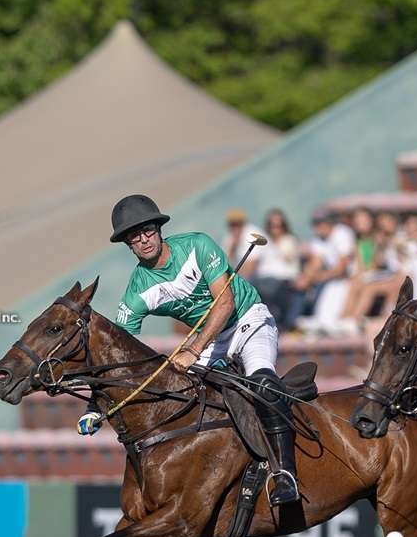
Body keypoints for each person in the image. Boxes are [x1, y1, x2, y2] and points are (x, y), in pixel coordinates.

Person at [88, 194, 300, 505]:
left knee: (263, 383)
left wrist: (193, 348)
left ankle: (285, 474)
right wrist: (94, 406)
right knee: (182, 395)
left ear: (158, 229)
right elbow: (115, 352)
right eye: (134, 237)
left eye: (147, 230)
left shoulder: (197, 245)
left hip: (247, 318)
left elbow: (225, 304)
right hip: (210, 338)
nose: (144, 240)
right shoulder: (137, 291)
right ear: (128, 245)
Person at [296, 209, 357, 336]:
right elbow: (316, 263)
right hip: (333, 281)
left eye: (321, 222)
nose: (318, 226)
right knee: (323, 317)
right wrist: (305, 278)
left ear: (330, 223)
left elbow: (342, 269)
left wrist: (318, 276)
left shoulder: (342, 233)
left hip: (349, 279)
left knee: (331, 320)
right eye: (315, 223)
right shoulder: (318, 240)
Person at [251, 209, 303, 331]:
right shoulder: (263, 242)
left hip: (283, 281)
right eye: (272, 226)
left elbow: (291, 262)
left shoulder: (289, 240)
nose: (276, 229)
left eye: (279, 226)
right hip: (263, 280)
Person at [220, 208, 264, 277]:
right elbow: (223, 265)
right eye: (232, 224)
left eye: (238, 224)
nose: (235, 228)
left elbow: (250, 268)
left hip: (262, 277)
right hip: (242, 277)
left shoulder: (253, 234)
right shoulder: (229, 238)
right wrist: (232, 248)